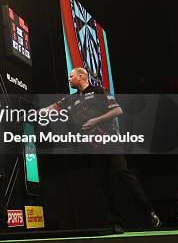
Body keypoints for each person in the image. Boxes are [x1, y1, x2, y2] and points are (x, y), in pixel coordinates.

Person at [44, 67, 161, 233]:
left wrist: (96, 120)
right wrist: (30, 115)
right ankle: (115, 223)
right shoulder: (70, 99)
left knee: (123, 173)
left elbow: (118, 110)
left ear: (81, 76)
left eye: (71, 76)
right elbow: (50, 109)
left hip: (110, 141)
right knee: (103, 184)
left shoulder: (99, 91)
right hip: (93, 147)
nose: (69, 79)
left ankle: (150, 212)